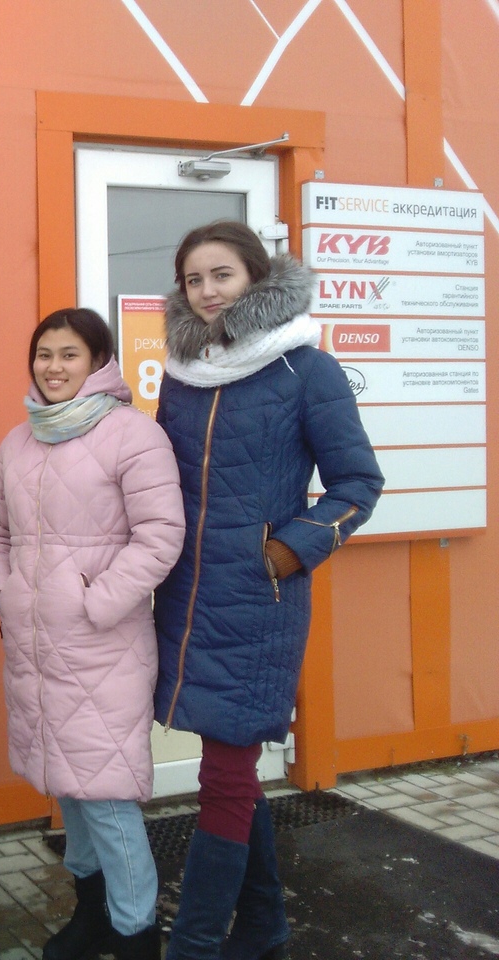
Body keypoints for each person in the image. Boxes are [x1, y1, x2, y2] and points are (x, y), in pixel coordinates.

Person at [153, 221, 383, 960]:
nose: (207, 291)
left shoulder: (305, 368)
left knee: (225, 773)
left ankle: (194, 945)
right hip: (187, 597)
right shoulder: (184, 374)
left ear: (256, 276)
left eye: (221, 274)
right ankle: (264, 928)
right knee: (230, 767)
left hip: (260, 601)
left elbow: (358, 483)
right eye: (194, 279)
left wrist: (287, 551)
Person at [0, 308, 184, 960]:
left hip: (104, 648)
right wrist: (1, 591)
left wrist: (96, 602)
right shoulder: (18, 441)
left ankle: (136, 934)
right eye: (44, 354)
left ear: (98, 361)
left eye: (69, 354)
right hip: (36, 647)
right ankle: (91, 916)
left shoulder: (132, 435)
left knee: (108, 798)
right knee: (69, 787)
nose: (54, 366)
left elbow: (160, 535)